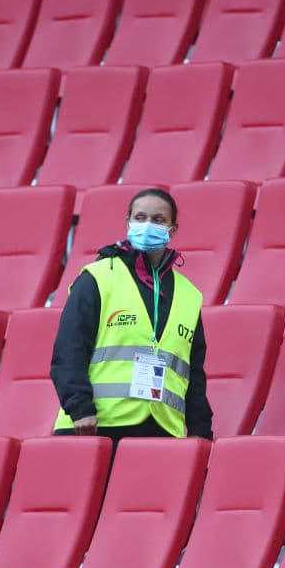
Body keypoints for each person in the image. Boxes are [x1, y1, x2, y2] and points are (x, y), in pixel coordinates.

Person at [51, 188, 213, 445]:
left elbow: (193, 373)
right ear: (128, 223)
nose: (148, 225)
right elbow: (69, 350)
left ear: (172, 229)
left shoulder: (189, 295)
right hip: (93, 426)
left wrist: (200, 431)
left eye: (158, 220)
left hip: (159, 431)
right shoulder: (97, 278)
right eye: (140, 218)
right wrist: (80, 409)